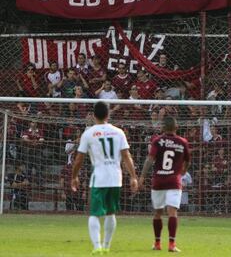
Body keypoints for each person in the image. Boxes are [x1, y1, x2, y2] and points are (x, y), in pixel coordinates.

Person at [71, 102, 138, 255]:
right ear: (108, 115)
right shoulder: (119, 132)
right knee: (110, 213)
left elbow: (79, 158)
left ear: (94, 115)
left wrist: (74, 177)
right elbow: (126, 156)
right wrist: (133, 177)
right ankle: (106, 246)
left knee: (94, 213)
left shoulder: (88, 133)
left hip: (99, 177)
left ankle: (97, 246)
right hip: (116, 178)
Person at [138, 116, 191, 253]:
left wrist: (142, 176)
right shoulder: (182, 142)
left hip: (159, 180)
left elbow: (150, 160)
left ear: (162, 128)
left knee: (157, 213)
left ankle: (157, 243)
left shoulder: (158, 141)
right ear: (176, 127)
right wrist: (183, 171)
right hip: (174, 180)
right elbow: (187, 160)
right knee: (172, 212)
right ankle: (172, 244)